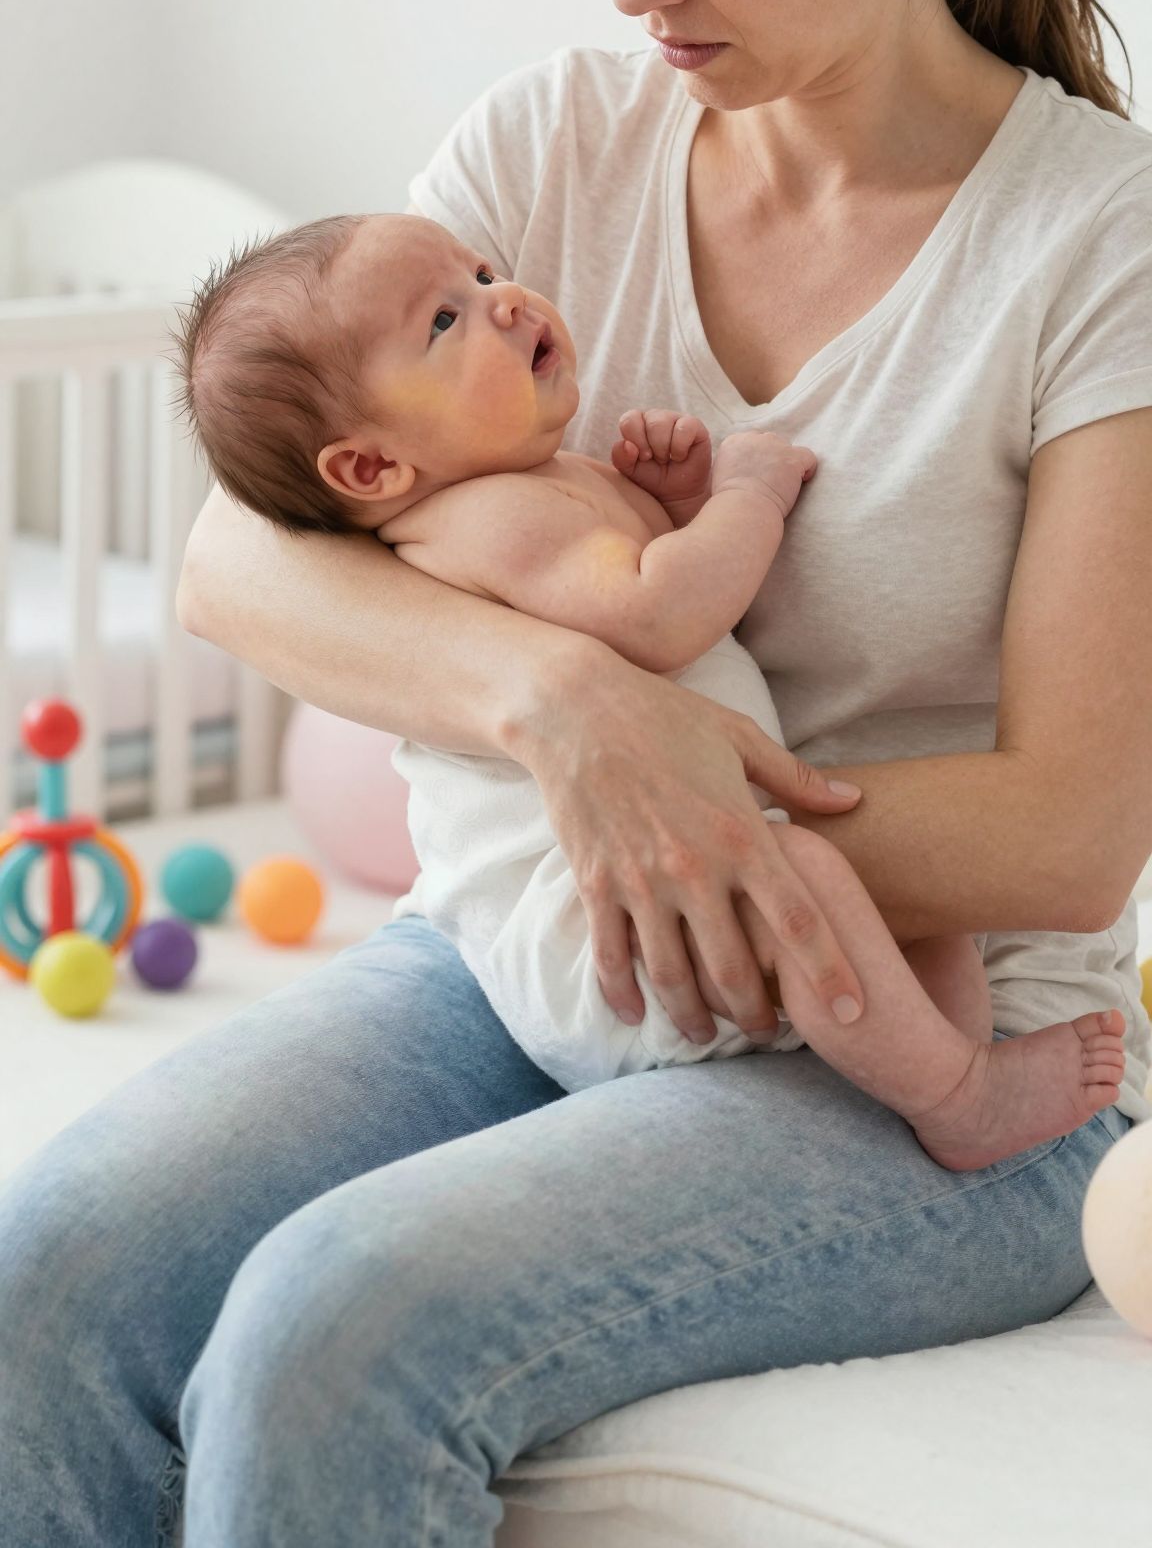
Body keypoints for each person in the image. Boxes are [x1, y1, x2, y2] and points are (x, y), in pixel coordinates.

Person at [2, 0, 1150, 1548]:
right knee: (51, 1267)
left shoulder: (1096, 244)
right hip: (521, 955)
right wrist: (568, 709)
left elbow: (1067, 829)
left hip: (937, 1032)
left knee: (332, 1332)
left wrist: (690, 812)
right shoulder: (556, 141)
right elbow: (237, 561)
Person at [166, 206, 1130, 1169]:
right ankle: (956, 1096)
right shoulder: (486, 519)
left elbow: (631, 598)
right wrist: (745, 496)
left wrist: (667, 505)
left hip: (647, 888)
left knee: (916, 917)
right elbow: (660, 615)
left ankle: (935, 1063)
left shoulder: (532, 484)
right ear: (372, 465)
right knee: (813, 877)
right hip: (602, 933)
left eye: (483, 274)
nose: (506, 302)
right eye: (444, 322)